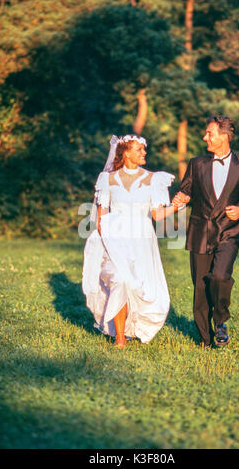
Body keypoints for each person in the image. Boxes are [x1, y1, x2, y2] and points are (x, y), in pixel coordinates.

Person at [82, 134, 184, 349]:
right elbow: (101, 218)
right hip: (114, 241)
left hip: (141, 242)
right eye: (139, 149)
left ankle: (136, 327)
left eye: (144, 149)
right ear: (126, 153)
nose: (144, 153)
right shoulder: (107, 179)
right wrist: (108, 244)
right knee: (119, 280)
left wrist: (177, 206)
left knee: (138, 286)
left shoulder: (154, 179)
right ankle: (120, 337)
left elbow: (156, 215)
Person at [173, 116, 239, 348]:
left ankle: (220, 321)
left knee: (220, 276)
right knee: (201, 288)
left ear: (223, 136)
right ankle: (205, 338)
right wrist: (181, 199)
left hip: (229, 233)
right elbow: (185, 192)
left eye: (209, 133)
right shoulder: (196, 163)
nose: (205, 137)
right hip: (200, 232)